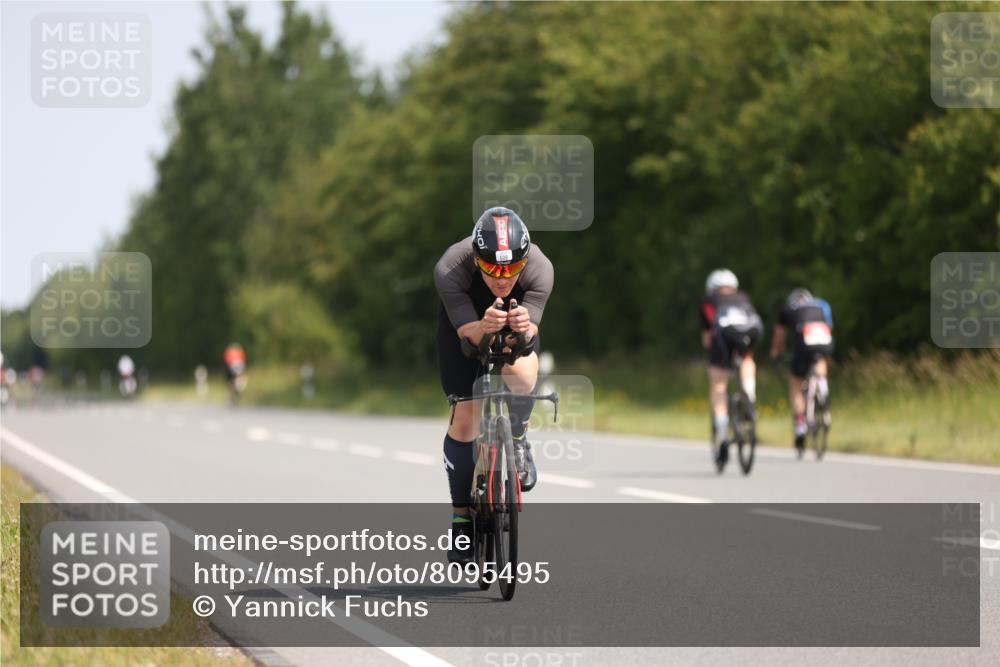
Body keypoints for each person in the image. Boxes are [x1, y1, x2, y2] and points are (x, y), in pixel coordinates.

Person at [434, 206, 554, 563]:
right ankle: (461, 519)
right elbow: (469, 339)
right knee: (466, 417)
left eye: (512, 270)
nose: (503, 279)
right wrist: (484, 328)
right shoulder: (450, 268)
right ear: (476, 258)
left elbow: (530, 337)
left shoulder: (540, 269)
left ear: (525, 259)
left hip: (513, 325)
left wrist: (521, 328)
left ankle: (517, 438)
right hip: (468, 323)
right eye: (492, 270)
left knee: (521, 376)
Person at [700, 269, 764, 468]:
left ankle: (722, 433)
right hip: (752, 329)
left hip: (724, 332)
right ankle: (749, 393)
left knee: (719, 384)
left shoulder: (708, 300)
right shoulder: (744, 297)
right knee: (747, 358)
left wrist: (716, 358)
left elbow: (708, 337)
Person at [770, 287, 834, 453]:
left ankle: (800, 425)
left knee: (796, 384)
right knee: (819, 360)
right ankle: (822, 387)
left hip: (804, 341)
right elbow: (829, 327)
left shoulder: (788, 309)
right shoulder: (822, 305)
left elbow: (780, 336)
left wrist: (777, 354)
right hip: (823, 338)